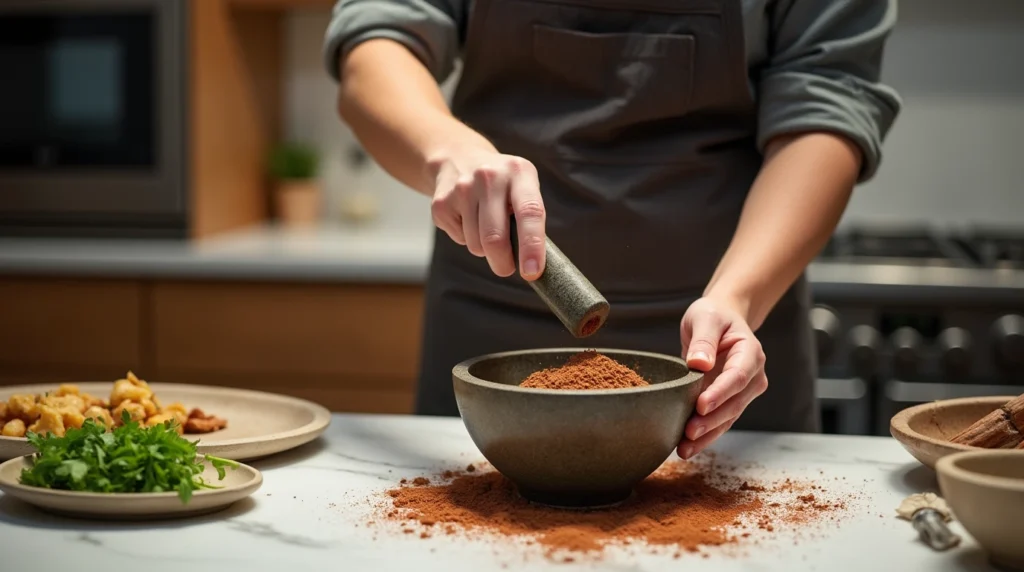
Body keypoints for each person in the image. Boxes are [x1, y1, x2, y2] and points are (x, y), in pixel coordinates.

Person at [323, 0, 901, 459]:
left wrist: (738, 297)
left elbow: (827, 105)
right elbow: (378, 39)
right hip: (495, 316)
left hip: (724, 331)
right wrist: (448, 151)